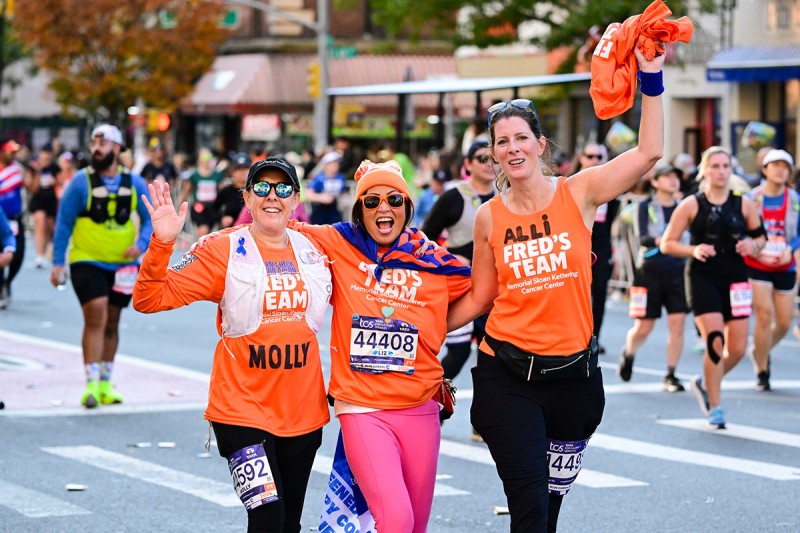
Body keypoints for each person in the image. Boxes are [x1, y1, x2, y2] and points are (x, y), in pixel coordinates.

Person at [446, 44, 665, 532]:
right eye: (501, 142)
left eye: (521, 137)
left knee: (551, 511)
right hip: (507, 379)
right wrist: (422, 332)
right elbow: (482, 296)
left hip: (575, 384)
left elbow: (650, 151)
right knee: (530, 507)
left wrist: (651, 76)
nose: (512, 149)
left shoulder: (579, 192)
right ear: (493, 153)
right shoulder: (488, 216)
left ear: (540, 144)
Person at [198, 158, 472, 533]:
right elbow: (282, 225)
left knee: (414, 526)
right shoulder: (337, 243)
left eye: (394, 199)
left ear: (408, 206)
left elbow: (481, 291)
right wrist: (201, 240)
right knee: (393, 520)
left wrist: (430, 326)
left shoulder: (429, 258)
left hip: (420, 406)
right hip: (357, 406)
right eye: (371, 202)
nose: (383, 208)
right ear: (359, 210)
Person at [133, 157, 331, 533]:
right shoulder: (222, 248)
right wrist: (162, 242)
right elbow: (149, 298)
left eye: (283, 188)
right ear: (246, 197)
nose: (272, 196)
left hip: (303, 414)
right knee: (267, 516)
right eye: (262, 187)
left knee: (289, 523)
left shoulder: (316, 248)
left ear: (296, 200)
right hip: (240, 411)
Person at [660, 146, 765, 429]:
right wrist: (693, 250)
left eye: (725, 166)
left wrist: (752, 245)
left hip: (736, 278)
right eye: (715, 166)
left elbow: (761, 237)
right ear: (705, 170)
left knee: (739, 348)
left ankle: (706, 381)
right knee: (715, 341)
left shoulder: (743, 204)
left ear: (731, 171)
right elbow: (667, 243)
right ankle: (716, 407)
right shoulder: (692, 204)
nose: (721, 171)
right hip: (702, 278)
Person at [51, 124, 153, 408]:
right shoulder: (80, 182)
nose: (97, 148)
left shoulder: (134, 182)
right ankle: (91, 384)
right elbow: (63, 223)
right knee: (95, 314)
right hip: (87, 259)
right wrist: (58, 262)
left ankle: (107, 382)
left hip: (123, 264)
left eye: (104, 143)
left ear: (118, 148)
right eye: (94, 143)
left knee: (113, 320)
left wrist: (142, 244)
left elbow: (149, 219)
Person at [422, 140, 496, 435]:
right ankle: (429, 403)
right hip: (462, 287)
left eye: (493, 158)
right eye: (481, 158)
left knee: (491, 358)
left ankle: (481, 423)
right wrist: (450, 259)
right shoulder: (455, 196)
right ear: (468, 164)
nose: (489, 163)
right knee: (459, 354)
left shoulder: (508, 196)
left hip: (496, 290)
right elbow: (424, 237)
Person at [618, 166, 689, 392]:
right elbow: (644, 237)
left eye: (676, 177)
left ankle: (670, 374)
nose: (673, 181)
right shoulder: (644, 206)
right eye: (668, 177)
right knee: (643, 327)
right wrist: (667, 240)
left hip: (678, 270)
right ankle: (628, 353)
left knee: (678, 324)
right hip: (649, 271)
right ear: (656, 182)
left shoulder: (684, 207)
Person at [744, 149, 800, 391]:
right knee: (764, 315)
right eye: (775, 165)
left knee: (785, 323)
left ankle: (759, 350)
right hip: (757, 263)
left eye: (784, 167)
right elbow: (741, 225)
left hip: (785, 264)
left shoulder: (795, 199)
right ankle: (763, 369)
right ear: (764, 170)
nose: (780, 170)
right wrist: (752, 244)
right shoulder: (752, 198)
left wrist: (791, 247)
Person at [575, 143, 619, 354]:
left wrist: (614, 252)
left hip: (601, 248)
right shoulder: (570, 185)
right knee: (575, 294)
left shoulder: (611, 187)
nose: (594, 160)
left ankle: (595, 338)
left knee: (599, 292)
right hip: (574, 247)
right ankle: (575, 337)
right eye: (590, 155)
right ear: (581, 158)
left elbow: (612, 223)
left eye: (599, 156)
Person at [0, 138, 27, 309]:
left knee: (18, 254)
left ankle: (7, 282)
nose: (12, 155)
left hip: (15, 219)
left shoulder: (17, 170)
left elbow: (31, 187)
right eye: (8, 151)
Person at [29, 143, 60, 268]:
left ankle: (45, 252)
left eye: (48, 153)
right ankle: (39, 255)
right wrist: (37, 172)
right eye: (44, 153)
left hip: (51, 200)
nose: (46, 156)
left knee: (48, 227)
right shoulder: (35, 166)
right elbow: (33, 188)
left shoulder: (55, 168)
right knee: (40, 224)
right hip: (38, 200)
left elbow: (60, 183)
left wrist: (55, 182)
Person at [180, 148, 224, 237]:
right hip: (199, 207)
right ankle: (200, 249)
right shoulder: (194, 175)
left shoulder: (217, 175)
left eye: (208, 158)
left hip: (214, 208)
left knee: (215, 233)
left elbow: (222, 192)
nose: (206, 161)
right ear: (199, 160)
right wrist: (181, 207)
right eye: (204, 158)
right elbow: (186, 192)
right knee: (203, 229)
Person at [305, 151, 348, 225]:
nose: (336, 166)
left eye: (337, 163)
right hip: (320, 211)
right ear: (326, 165)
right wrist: (321, 198)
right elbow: (309, 194)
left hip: (334, 211)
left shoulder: (341, 178)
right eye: (333, 164)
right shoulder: (319, 178)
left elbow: (343, 193)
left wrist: (345, 201)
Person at [214, 152, 250, 228]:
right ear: (232, 172)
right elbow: (214, 208)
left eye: (245, 168)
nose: (242, 172)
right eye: (239, 169)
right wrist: (222, 218)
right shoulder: (227, 191)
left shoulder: (256, 191)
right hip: (230, 231)